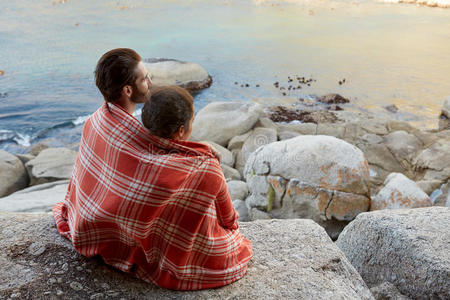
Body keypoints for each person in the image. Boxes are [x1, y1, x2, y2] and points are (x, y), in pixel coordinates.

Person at [53, 48, 252, 290]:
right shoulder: (199, 167)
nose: (150, 82)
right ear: (127, 90)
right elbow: (230, 221)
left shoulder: (95, 122)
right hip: (134, 245)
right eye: (145, 78)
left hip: (89, 225)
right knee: (233, 245)